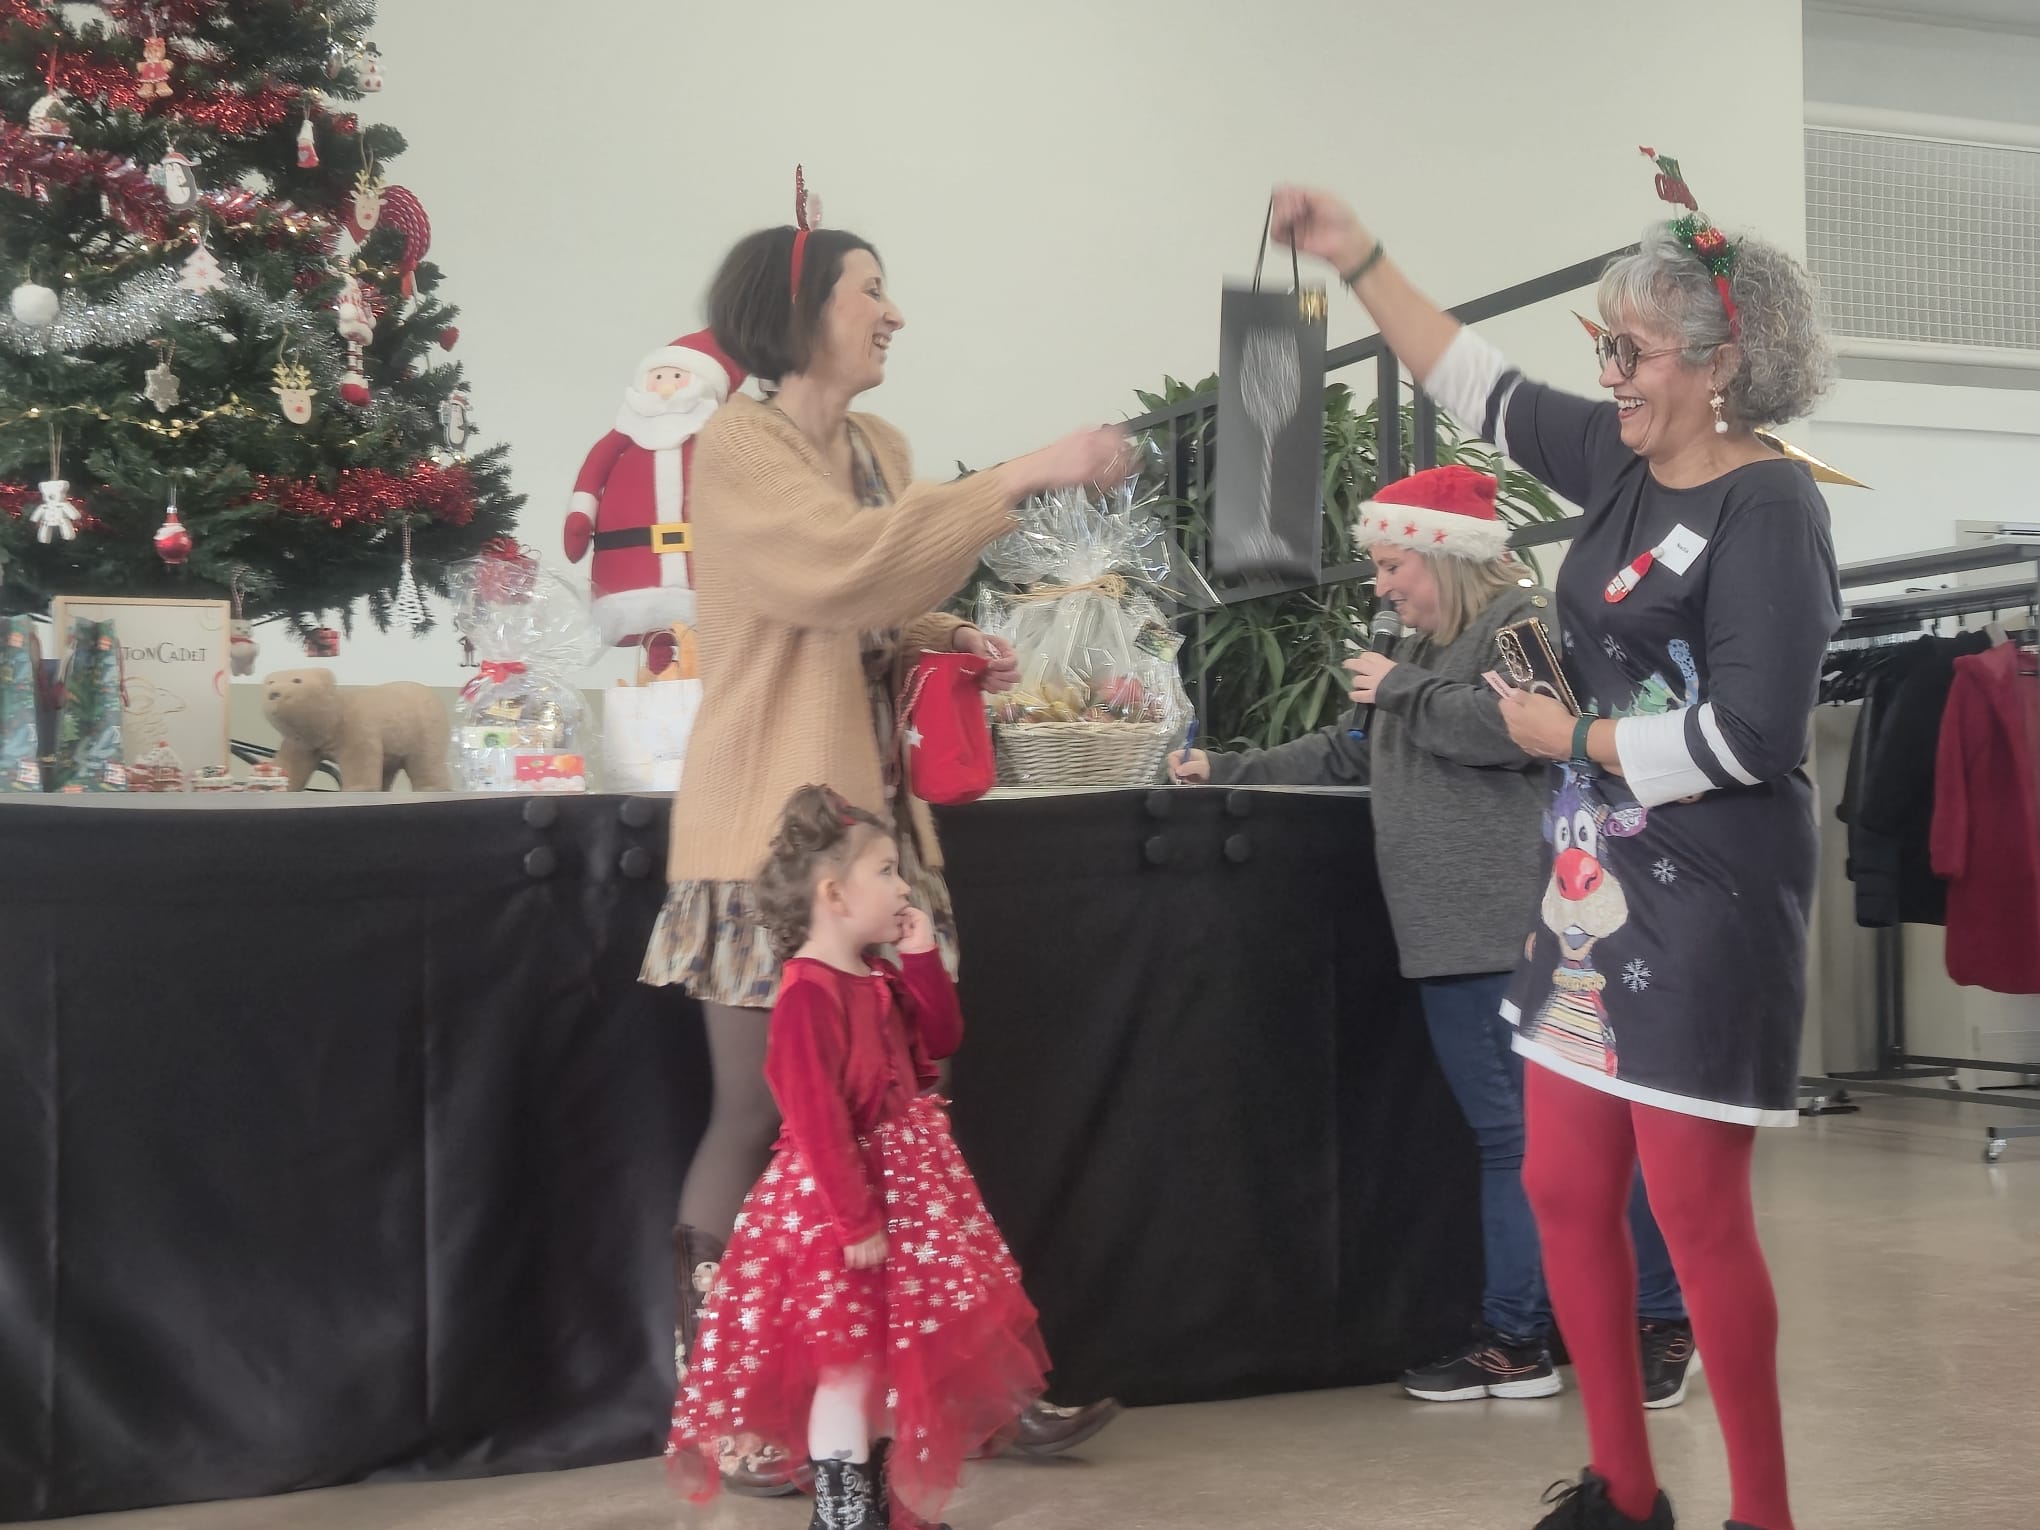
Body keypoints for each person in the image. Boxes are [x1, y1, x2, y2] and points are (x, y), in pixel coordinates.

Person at [1271, 153, 1838, 1530]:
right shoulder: (1618, 460)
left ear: (1721, 362)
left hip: (1709, 894)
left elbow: (1754, 738)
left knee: (1695, 1215)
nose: (1611, 375)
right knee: (1563, 1181)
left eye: (1633, 352)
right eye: (1605, 348)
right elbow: (1475, 381)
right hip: (1592, 882)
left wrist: (1567, 737)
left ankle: (1762, 1513)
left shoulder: (1771, 506)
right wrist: (1356, 254)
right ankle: (1622, 1493)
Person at [641, 212, 1127, 1493]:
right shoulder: (739, 444)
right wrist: (1029, 471)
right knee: (762, 1115)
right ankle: (732, 1412)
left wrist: (945, 636)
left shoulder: (882, 448)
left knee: (909, 1122)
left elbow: (881, 595)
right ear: (798, 309)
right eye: (871, 289)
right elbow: (836, 571)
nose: (893, 311)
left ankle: (966, 1396)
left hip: (877, 845)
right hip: (765, 842)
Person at [1174, 464, 1693, 1409]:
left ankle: (1628, 1325)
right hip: (1448, 937)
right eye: (1377, 568)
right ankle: (1534, 1336)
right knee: (1518, 1140)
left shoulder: (1519, 626)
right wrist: (1226, 766)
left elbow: (1520, 733)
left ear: (1443, 557)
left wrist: (1404, 687)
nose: (1381, 588)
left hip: (1520, 933)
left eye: (1391, 567)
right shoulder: (1418, 654)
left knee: (1566, 1137)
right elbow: (1350, 752)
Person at [667, 786, 1048, 1530]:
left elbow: (942, 1038)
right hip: (841, 1212)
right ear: (834, 895)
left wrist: (922, 958)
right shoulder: (808, 994)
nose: (904, 887)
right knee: (844, 1370)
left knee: (879, 1368)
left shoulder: (878, 977)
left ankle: (876, 1505)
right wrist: (855, 1218)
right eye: (886, 871)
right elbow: (815, 1118)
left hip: (901, 1196)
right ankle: (842, 1516)